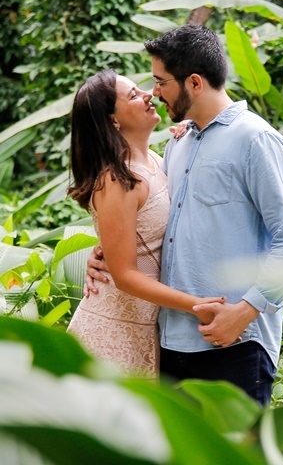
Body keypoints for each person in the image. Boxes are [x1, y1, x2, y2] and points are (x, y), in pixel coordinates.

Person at [86, 24, 283, 404]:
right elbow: (152, 222)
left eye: (161, 82)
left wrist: (245, 310)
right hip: (170, 341)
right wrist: (102, 253)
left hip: (235, 341)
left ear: (193, 82)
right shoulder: (179, 143)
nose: (154, 93)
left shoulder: (256, 139)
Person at [65, 70, 224, 376]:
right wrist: (197, 305)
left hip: (146, 328)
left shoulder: (155, 159)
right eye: (134, 95)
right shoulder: (116, 179)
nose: (149, 94)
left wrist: (188, 134)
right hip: (111, 334)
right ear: (113, 120)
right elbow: (124, 274)